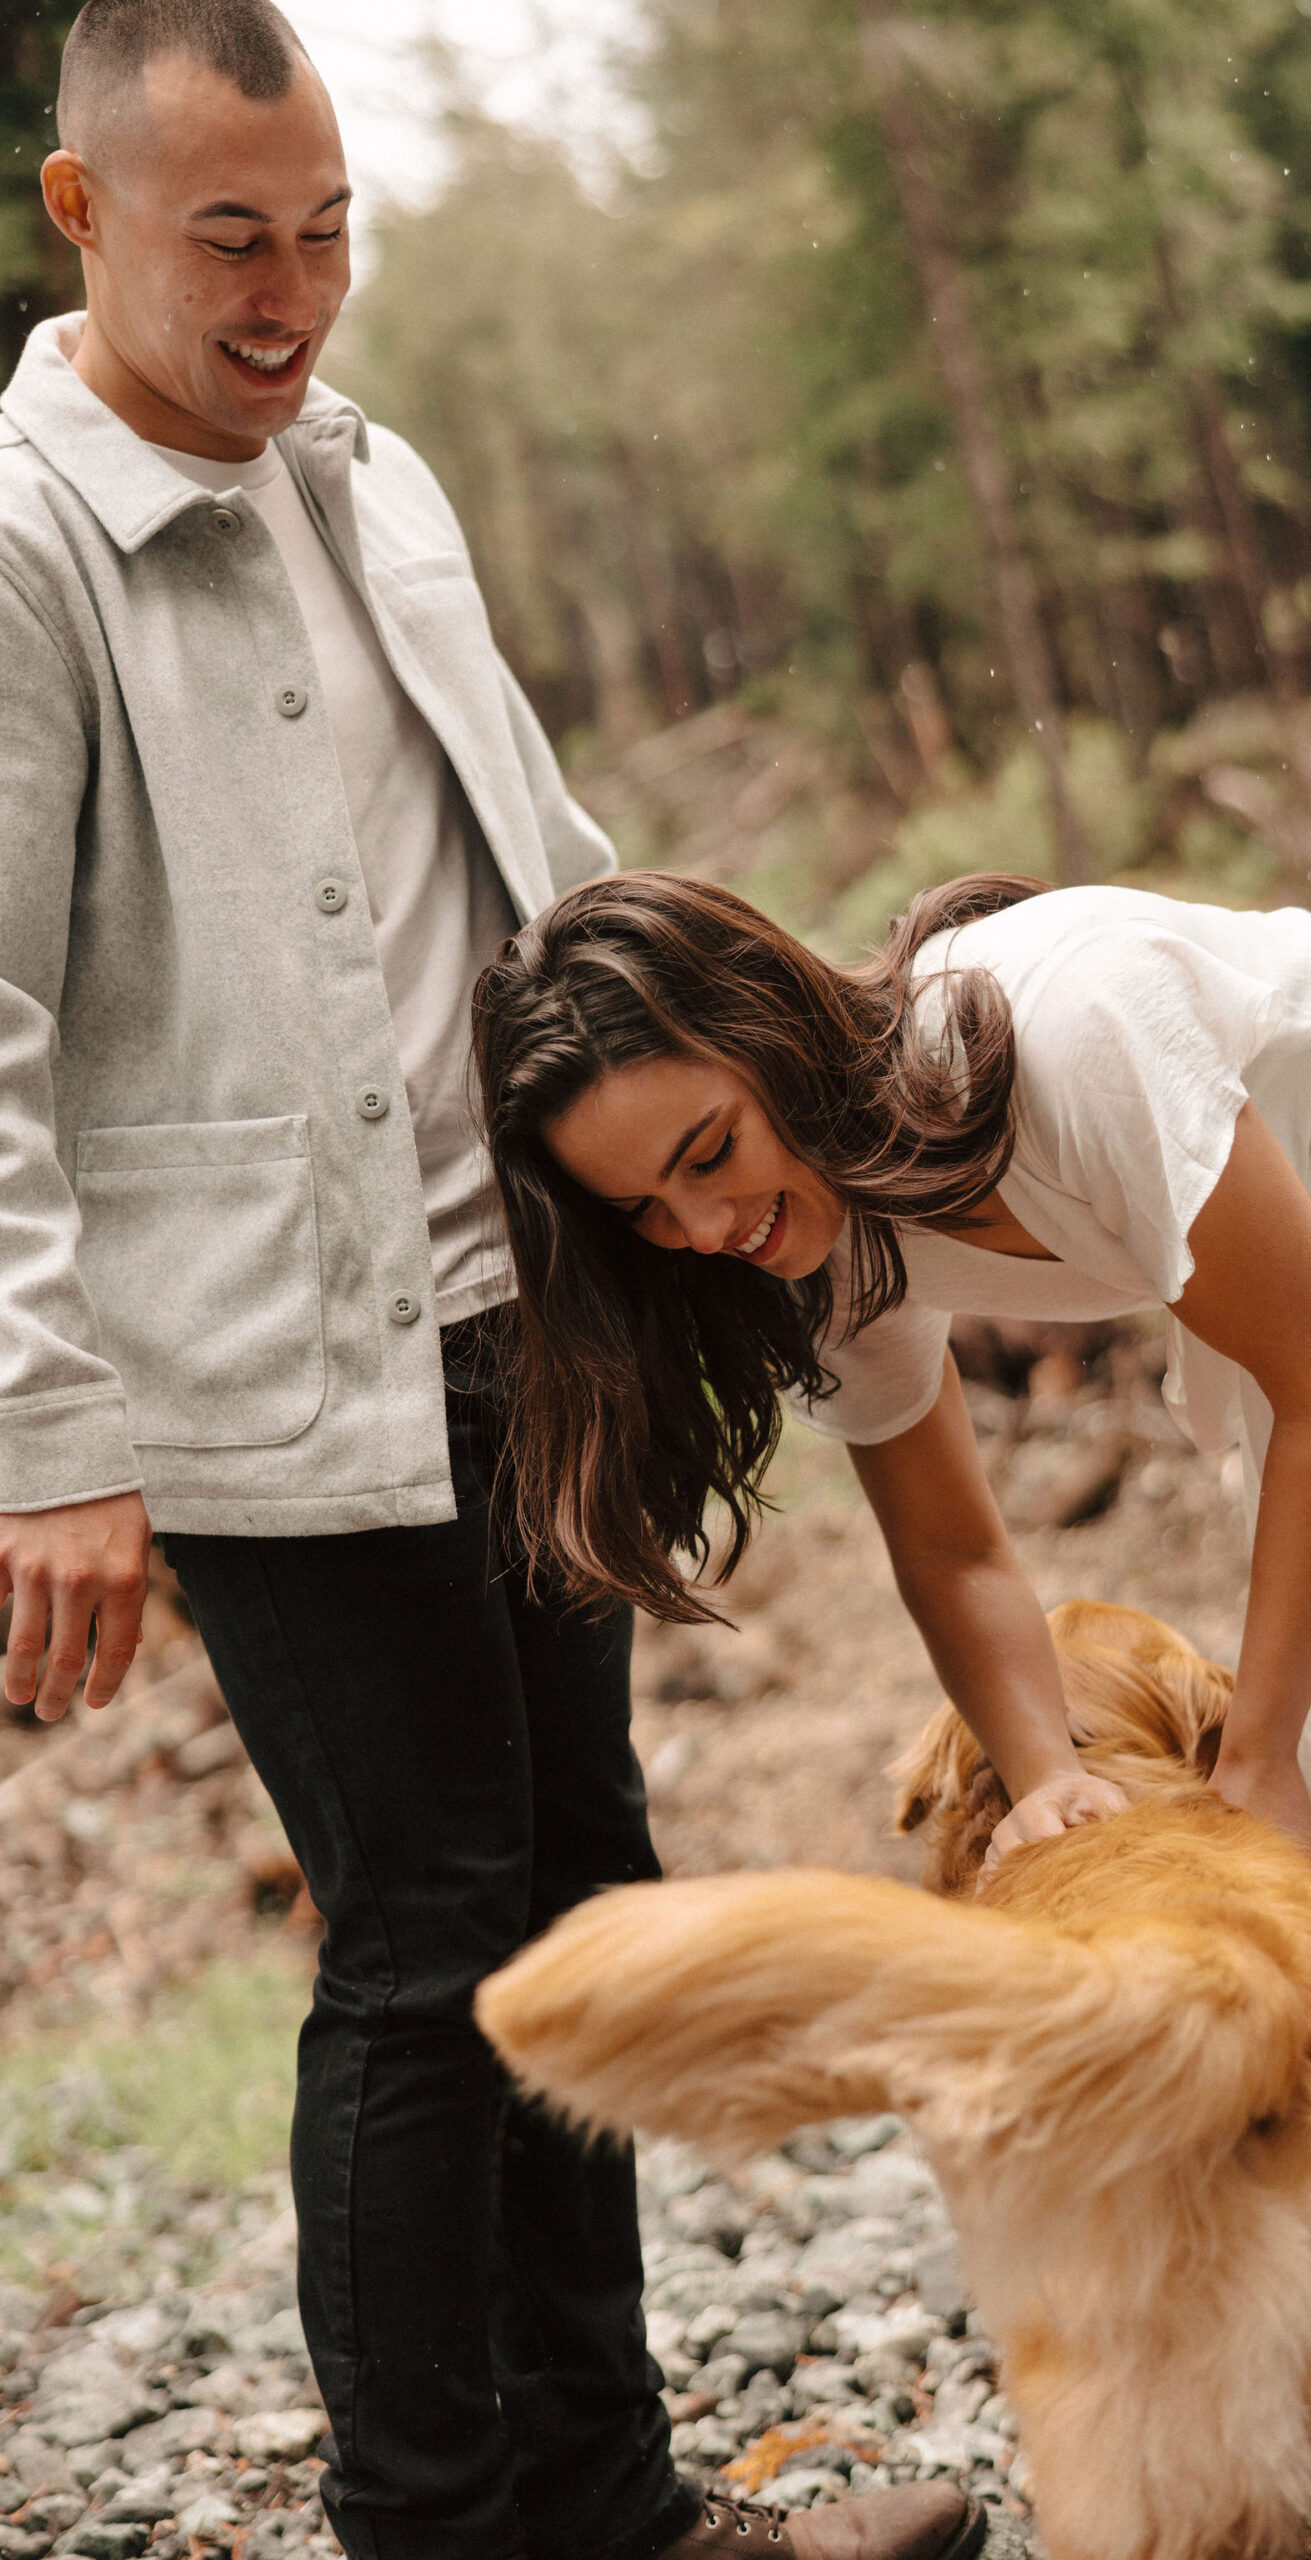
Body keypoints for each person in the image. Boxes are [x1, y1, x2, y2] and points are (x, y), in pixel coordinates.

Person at [0, 14, 985, 2560]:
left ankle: (618, 2498)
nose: (297, 291)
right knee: (429, 1936)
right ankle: (440, 2524)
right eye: (236, 237)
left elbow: (540, 851)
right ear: (81, 212)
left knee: (584, 1901)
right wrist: (51, 1430)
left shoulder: (374, 469)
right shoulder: (22, 544)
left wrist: (772, 1125)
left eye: (331, 228)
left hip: (521, 1325)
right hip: (253, 1362)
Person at [473, 865, 1311, 2560]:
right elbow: (955, 1544)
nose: (706, 1228)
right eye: (648, 1214)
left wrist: (1249, 1755)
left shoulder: (1071, 1023)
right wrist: (1047, 1773)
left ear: (765, 1034)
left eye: (709, 1154)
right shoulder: (825, 1246)